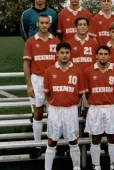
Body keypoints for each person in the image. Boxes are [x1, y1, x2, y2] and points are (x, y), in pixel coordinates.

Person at [23, 14, 60, 159]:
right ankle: (37, 145)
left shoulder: (56, 40)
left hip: (53, 80)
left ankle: (53, 144)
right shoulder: (31, 41)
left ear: (49, 24)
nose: (44, 25)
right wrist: (29, 85)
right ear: (37, 24)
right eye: (42, 23)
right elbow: (26, 64)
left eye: (47, 23)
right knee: (38, 113)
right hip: (37, 80)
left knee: (54, 115)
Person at [44, 42, 85, 170]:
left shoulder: (77, 71)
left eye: (67, 52)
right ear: (57, 54)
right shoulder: (49, 71)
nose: (64, 55)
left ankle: (76, 167)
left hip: (70, 109)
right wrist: (54, 102)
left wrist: (70, 102)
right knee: (52, 141)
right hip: (55, 109)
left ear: (70, 54)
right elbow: (47, 93)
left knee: (73, 140)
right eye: (62, 52)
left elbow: (79, 94)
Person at [84, 45, 114, 170]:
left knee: (112, 137)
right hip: (95, 108)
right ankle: (96, 165)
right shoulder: (88, 71)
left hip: (111, 107)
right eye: (100, 54)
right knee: (96, 137)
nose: (103, 56)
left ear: (109, 56)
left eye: (105, 54)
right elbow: (87, 92)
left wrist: (110, 100)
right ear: (96, 56)